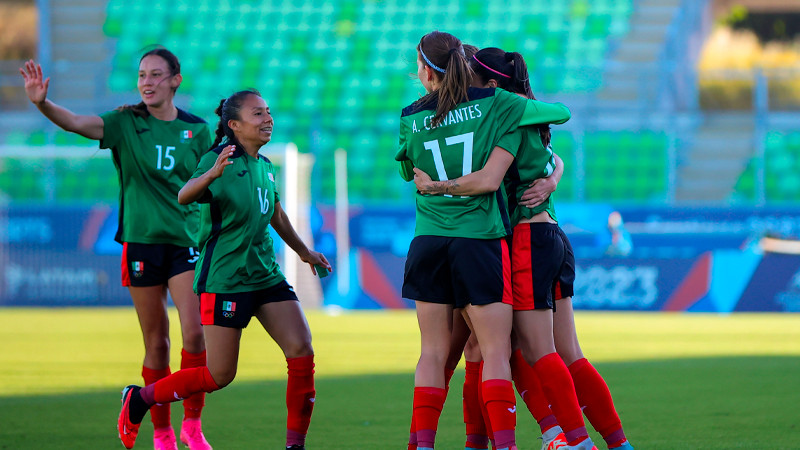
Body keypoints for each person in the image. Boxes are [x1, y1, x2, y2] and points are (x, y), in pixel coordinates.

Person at [414, 47, 633, 450]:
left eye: (474, 77)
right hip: (549, 236)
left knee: (511, 348)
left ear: (492, 86)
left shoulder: (495, 116)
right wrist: (555, 175)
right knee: (549, 350)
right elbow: (551, 156)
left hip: (520, 240)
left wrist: (436, 185)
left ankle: (566, 439)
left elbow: (488, 177)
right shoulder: (522, 115)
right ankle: (613, 444)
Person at [20, 48, 214, 450]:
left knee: (195, 336)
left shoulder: (198, 132)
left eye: (157, 75)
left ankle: (192, 427)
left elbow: (212, 188)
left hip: (184, 243)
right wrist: (43, 104)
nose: (147, 82)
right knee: (156, 343)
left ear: (176, 80)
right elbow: (75, 122)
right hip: (141, 244)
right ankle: (162, 433)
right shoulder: (125, 123)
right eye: (142, 74)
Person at [116, 89, 331, 450]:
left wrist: (304, 251)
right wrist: (211, 174)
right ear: (234, 125)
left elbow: (275, 213)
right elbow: (185, 195)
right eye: (257, 114)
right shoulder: (218, 159)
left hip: (264, 273)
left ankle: (295, 445)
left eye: (268, 111)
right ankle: (140, 399)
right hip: (225, 279)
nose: (267, 119)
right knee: (219, 375)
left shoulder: (265, 165)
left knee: (302, 349)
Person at [396, 31, 572, 450]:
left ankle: (422, 444)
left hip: (429, 241)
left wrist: (436, 183)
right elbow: (560, 113)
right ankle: (511, 444)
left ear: (424, 70)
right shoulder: (496, 104)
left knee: (433, 354)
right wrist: (553, 168)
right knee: (495, 350)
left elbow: (409, 172)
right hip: (480, 240)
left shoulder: (409, 116)